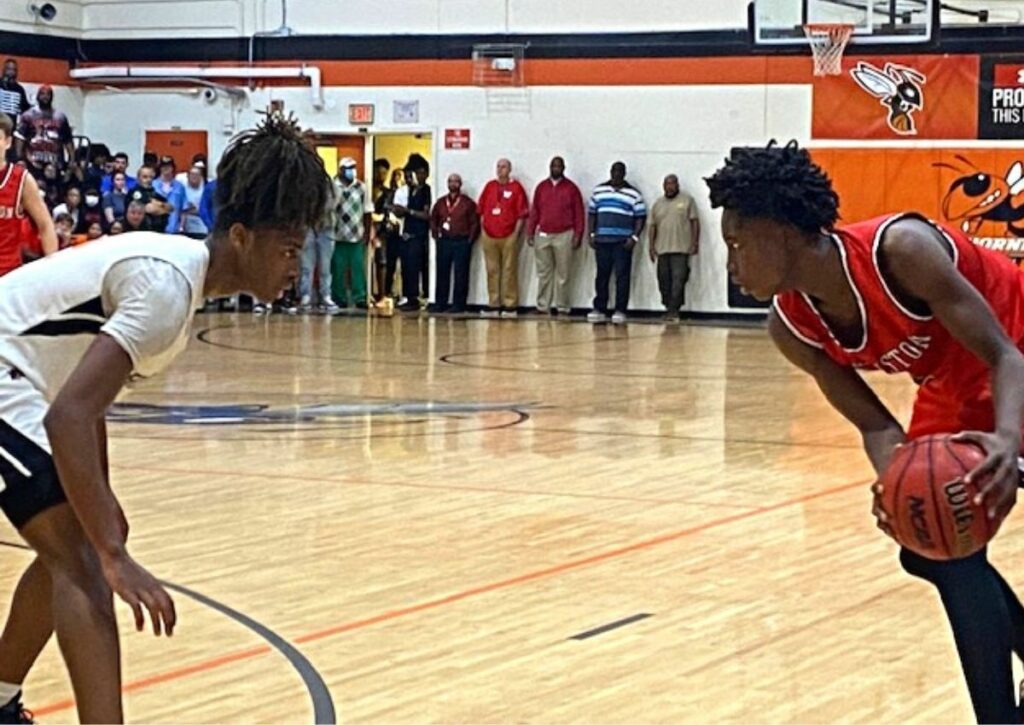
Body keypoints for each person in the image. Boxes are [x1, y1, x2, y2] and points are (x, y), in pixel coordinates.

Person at [0, 111, 329, 724]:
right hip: (5, 376)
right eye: (288, 249)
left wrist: (104, 512)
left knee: (86, 539)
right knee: (85, 564)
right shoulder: (166, 290)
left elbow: (83, 397)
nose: (295, 266)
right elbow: (69, 416)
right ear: (240, 237)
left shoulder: (177, 281)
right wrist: (110, 550)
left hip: (21, 382)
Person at [705, 140, 1024, 724]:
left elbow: (1005, 355)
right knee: (932, 546)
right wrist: (898, 484)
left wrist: (1008, 439)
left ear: (780, 232)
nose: (731, 264)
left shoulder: (900, 251)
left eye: (737, 243)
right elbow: (877, 424)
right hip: (952, 384)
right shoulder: (791, 325)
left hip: (1013, 349)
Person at [587, 161, 646, 324]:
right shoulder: (599, 190)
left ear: (624, 173)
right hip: (602, 240)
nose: (617, 174)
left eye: (620, 171)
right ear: (610, 172)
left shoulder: (634, 194)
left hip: (622, 242)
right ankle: (599, 308)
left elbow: (640, 217)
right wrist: (591, 234)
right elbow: (592, 213)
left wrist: (634, 237)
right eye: (614, 171)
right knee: (602, 275)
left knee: (622, 276)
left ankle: (620, 310)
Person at [0, 115, 57, 278]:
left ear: (8, 142)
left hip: (8, 275)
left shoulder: (22, 179)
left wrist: (53, 270)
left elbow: (45, 225)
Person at [527, 156, 585, 317]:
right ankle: (542, 306)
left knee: (563, 274)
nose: (556, 169)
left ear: (563, 168)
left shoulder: (572, 188)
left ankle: (563, 307)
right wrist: (530, 231)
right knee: (543, 273)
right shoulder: (541, 187)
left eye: (559, 166)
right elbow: (535, 211)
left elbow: (579, 213)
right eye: (553, 166)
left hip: (564, 234)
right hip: (543, 234)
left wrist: (578, 234)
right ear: (550, 167)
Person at [477, 158, 528, 318]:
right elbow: (481, 210)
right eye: (498, 166)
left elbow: (522, 213)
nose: (500, 170)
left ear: (509, 169)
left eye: (503, 167)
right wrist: (483, 230)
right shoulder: (489, 186)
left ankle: (510, 304)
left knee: (509, 270)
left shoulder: (516, 188)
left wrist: (516, 234)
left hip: (509, 235)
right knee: (491, 270)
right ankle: (494, 303)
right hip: (489, 235)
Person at [649, 174, 700, 321]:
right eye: (667, 184)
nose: (670, 187)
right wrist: (651, 246)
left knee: (679, 281)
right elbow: (652, 226)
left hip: (681, 248)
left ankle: (674, 310)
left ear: (677, 185)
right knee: (663, 281)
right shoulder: (658, 204)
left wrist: (695, 242)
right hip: (662, 249)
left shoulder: (687, 200)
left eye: (672, 184)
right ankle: (668, 307)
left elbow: (694, 222)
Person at [429, 173, 479, 314]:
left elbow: (474, 223)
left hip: (461, 241)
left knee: (461, 274)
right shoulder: (440, 202)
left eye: (456, 181)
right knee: (442, 273)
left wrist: (470, 240)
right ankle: (440, 303)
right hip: (444, 241)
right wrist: (436, 234)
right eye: (450, 181)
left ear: (460, 184)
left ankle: (459, 304)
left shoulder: (468, 203)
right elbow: (433, 219)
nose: (453, 184)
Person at [330, 157, 370, 310]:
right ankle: (338, 297)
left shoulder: (361, 187)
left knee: (357, 268)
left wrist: (367, 232)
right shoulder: (333, 186)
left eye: (353, 167)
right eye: (348, 168)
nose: (352, 171)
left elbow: (367, 211)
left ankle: (359, 297)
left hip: (356, 234)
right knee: (338, 269)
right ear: (341, 170)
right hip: (337, 235)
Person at [393, 155, 432, 312]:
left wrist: (408, 211)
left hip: (419, 236)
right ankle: (409, 297)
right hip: (406, 234)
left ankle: (418, 297)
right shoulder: (408, 191)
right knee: (406, 268)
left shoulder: (426, 191)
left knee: (417, 267)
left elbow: (426, 214)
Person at [298, 180, 339, 314]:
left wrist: (318, 211)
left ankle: (326, 296)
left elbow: (334, 203)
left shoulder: (331, 185)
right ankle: (305, 296)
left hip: (326, 228)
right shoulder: (304, 183)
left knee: (325, 267)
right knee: (306, 266)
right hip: (307, 228)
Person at [15, 86, 73, 177]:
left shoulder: (61, 117)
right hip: (33, 161)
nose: (45, 97)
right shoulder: (28, 115)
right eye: (42, 94)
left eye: (48, 94)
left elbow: (68, 140)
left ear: (52, 97)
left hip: (54, 162)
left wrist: (71, 161)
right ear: (38, 96)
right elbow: (20, 138)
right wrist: (19, 158)